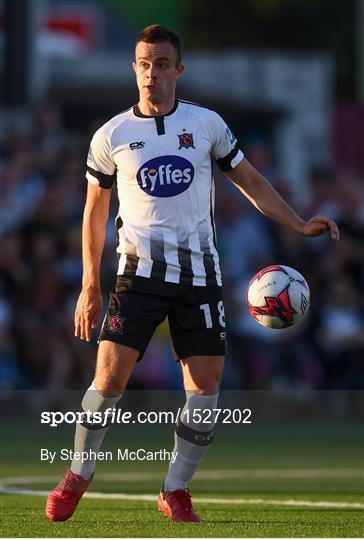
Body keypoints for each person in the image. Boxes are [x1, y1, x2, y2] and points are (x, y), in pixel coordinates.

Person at [45, 24, 339, 524]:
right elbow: (95, 214)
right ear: (133, 68)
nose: (151, 74)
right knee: (108, 378)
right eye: (143, 63)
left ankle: (175, 488)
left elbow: (251, 182)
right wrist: (89, 285)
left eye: (161, 64)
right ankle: (78, 473)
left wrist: (297, 221)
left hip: (199, 277)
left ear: (178, 71)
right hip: (135, 275)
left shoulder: (207, 126)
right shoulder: (111, 135)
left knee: (207, 387)